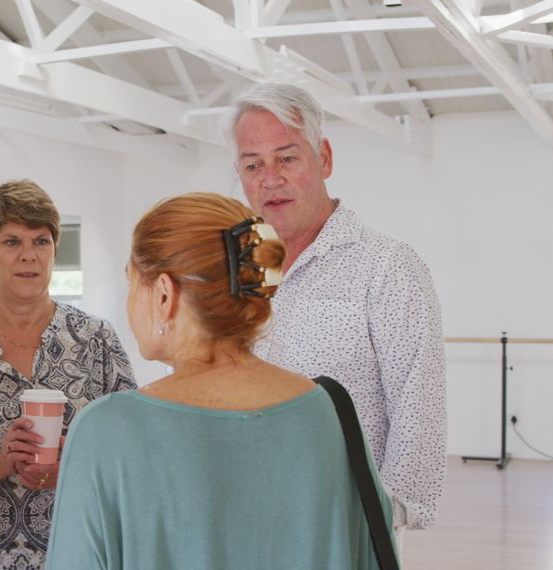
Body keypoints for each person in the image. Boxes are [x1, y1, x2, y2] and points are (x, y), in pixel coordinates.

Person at [46, 192, 396, 568]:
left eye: (132, 282)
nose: (130, 299)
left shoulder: (106, 432)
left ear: (164, 294)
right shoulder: (330, 413)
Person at [229, 82, 447, 536]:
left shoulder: (388, 267)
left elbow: (418, 407)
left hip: (345, 527)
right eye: (253, 164)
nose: (270, 178)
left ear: (324, 158)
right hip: (246, 516)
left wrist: (384, 517)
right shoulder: (236, 271)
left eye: (287, 158)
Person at [0, 180, 137, 569]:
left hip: (79, 557)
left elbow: (133, 454)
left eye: (41, 241)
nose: (29, 256)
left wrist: (74, 464)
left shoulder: (96, 340)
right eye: (12, 242)